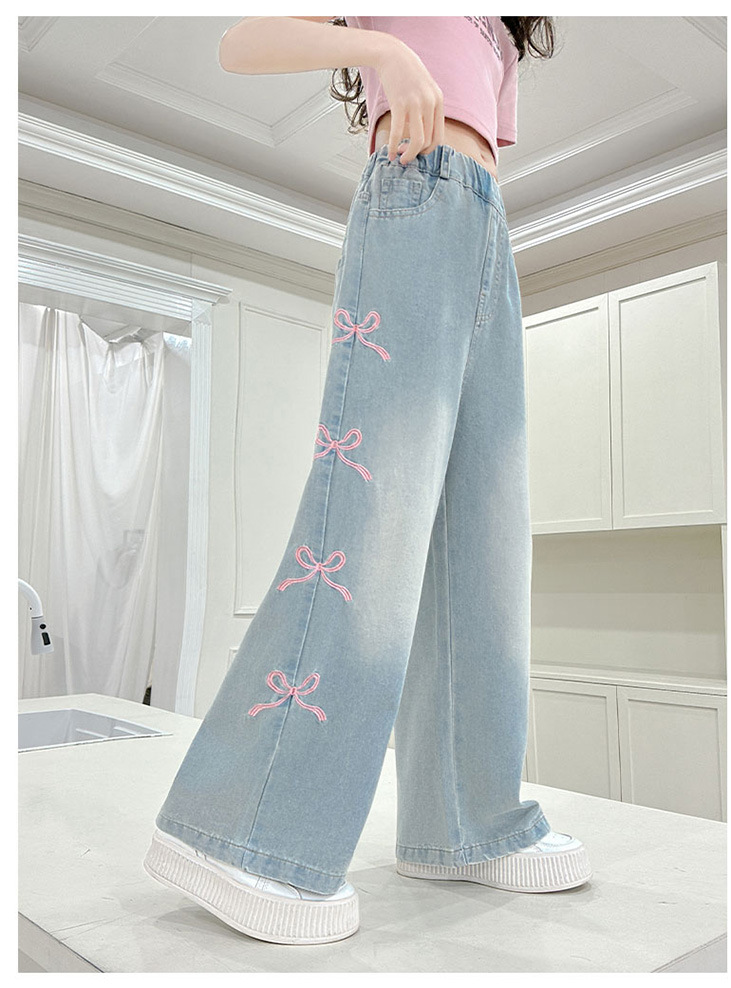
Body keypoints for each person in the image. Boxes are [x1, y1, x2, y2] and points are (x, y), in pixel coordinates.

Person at [143, 15, 592, 946]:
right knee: (371, 520)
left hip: (486, 232)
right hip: (416, 199)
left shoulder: (503, 40)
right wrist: (384, 51)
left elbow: (484, 143)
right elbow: (240, 41)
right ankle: (247, 828)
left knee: (486, 546)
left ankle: (465, 822)